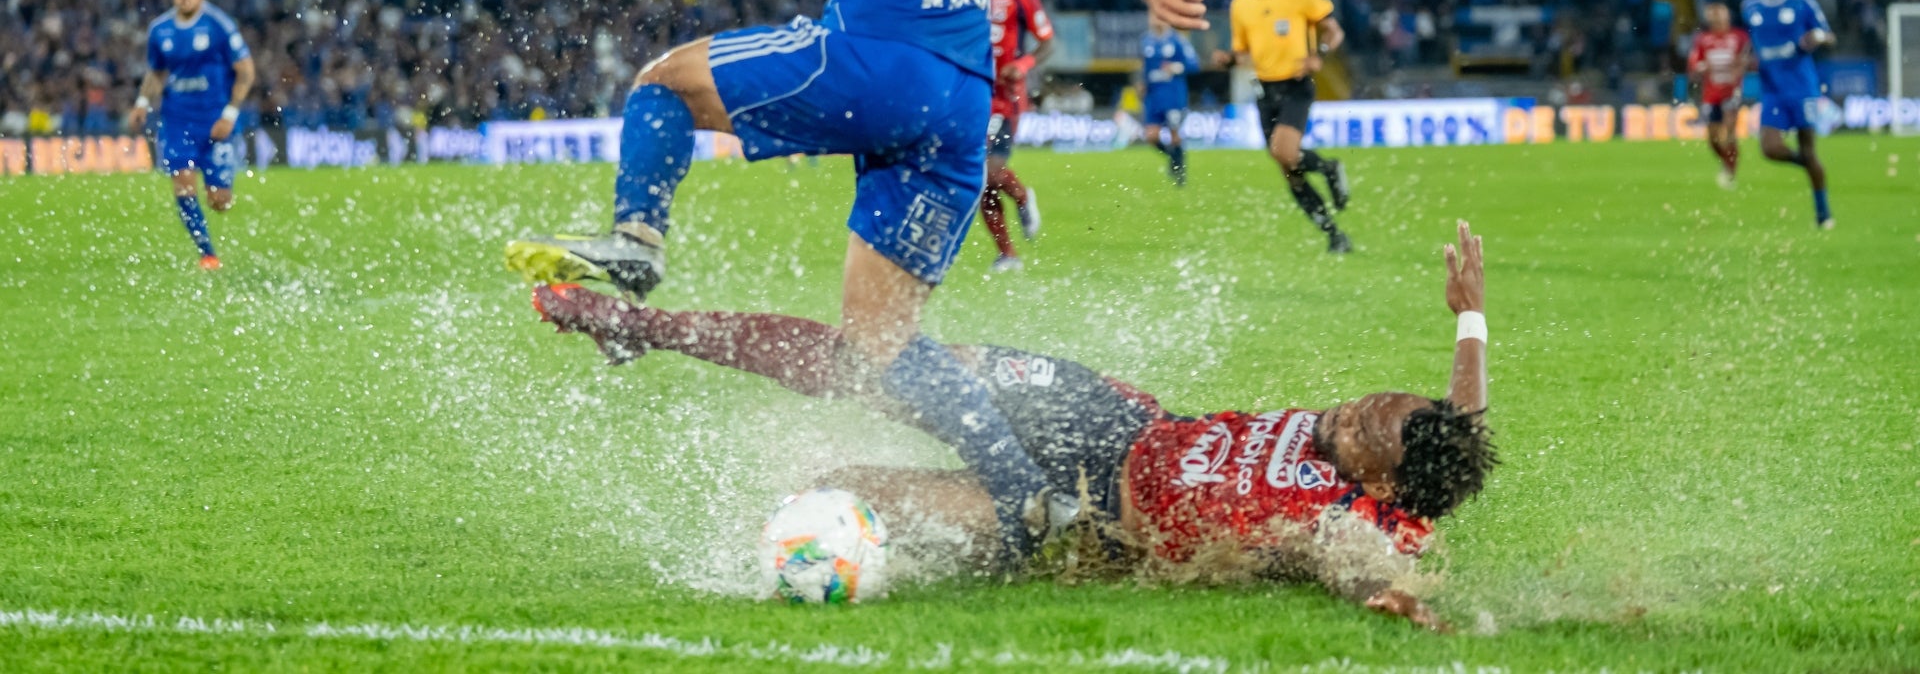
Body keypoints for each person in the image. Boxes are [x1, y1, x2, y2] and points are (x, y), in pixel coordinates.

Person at [505, 0, 1209, 561]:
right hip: (952, 112)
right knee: (883, 345)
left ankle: (636, 244)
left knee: (661, 82)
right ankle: (1031, 499)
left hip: (883, 61)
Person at [530, 220, 1496, 632]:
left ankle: (827, 540)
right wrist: (1469, 318)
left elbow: (1370, 563)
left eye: (1379, 428)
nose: (1364, 409)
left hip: (1079, 518)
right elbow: (1461, 430)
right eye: (1385, 398)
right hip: (1106, 415)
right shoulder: (1407, 446)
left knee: (859, 502)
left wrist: (1396, 597)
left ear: (1380, 483)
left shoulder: (1352, 520)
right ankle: (640, 326)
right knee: (872, 358)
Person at [1213, 0, 1352, 253]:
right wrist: (1228, 59)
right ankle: (1334, 234)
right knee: (1290, 173)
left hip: (1296, 86)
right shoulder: (1241, 5)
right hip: (1265, 91)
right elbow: (1243, 52)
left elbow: (1334, 30)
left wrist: (1320, 53)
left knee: (1284, 152)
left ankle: (1330, 168)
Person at [126, 0, 255, 270]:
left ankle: (221, 188)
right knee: (183, 184)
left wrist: (230, 114)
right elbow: (157, 71)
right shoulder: (160, 30)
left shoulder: (219, 25)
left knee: (219, 201)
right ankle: (207, 254)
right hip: (176, 120)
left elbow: (246, 71)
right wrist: (143, 102)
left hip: (215, 123)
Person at [1741, 0, 1835, 227]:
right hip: (1771, 89)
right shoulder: (1750, 6)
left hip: (1802, 87)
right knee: (1769, 149)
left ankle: (1823, 212)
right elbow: (1752, 42)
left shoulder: (1803, 3)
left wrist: (1817, 37)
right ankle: (1805, 163)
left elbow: (1828, 35)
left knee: (1809, 146)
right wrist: (1747, 59)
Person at [980, 0, 1053, 272]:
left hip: (1004, 100)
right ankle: (1007, 254)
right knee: (978, 181)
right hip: (970, 99)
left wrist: (1021, 66)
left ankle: (1023, 197)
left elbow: (1047, 42)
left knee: (990, 171)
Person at [1685, 1, 1751, 190]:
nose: (1717, 18)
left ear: (1727, 16)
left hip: (1732, 91)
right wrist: (1700, 68)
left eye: (1720, 14)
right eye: (1713, 15)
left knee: (1729, 132)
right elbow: (1694, 66)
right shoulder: (1703, 39)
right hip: (1711, 94)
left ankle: (1731, 172)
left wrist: (1738, 70)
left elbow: (1746, 60)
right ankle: (1727, 163)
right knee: (1713, 139)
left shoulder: (1739, 37)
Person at [1138, 14, 1200, 186]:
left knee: (1174, 134)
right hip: (1153, 95)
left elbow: (1194, 64)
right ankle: (1175, 159)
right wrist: (1143, 83)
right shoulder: (1146, 41)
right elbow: (1145, 66)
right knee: (1151, 136)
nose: (1154, 20)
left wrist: (1175, 67)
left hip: (1173, 94)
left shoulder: (1178, 40)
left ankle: (1179, 173)